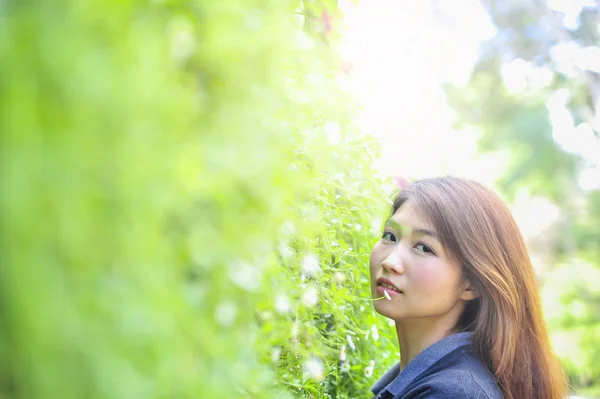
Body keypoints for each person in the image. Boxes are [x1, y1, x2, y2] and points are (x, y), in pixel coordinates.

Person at [369, 177, 568, 399]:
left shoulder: (454, 392)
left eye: (424, 247)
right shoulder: (433, 381)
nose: (390, 262)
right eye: (390, 236)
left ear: (472, 284)